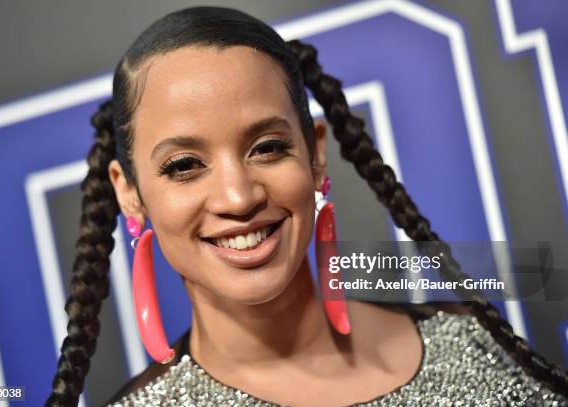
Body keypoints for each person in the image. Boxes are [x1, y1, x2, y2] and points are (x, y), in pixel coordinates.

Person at [44, 6, 568, 406]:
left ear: (316, 153)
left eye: (267, 148)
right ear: (129, 191)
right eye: (184, 165)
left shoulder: (473, 346)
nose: (238, 196)